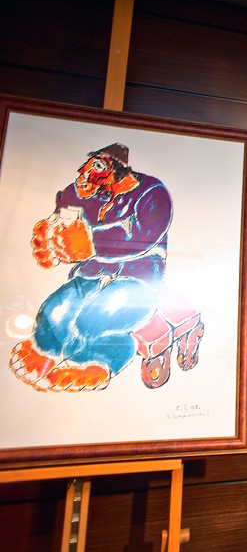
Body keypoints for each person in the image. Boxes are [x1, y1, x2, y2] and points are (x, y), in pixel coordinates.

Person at [10, 142, 173, 392]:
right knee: (53, 311)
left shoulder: (152, 193)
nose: (85, 176)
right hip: (89, 275)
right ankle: (46, 353)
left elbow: (142, 233)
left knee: (92, 319)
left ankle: (97, 363)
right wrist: (52, 234)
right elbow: (65, 214)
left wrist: (90, 242)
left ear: (116, 169)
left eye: (96, 168)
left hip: (137, 282)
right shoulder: (90, 191)